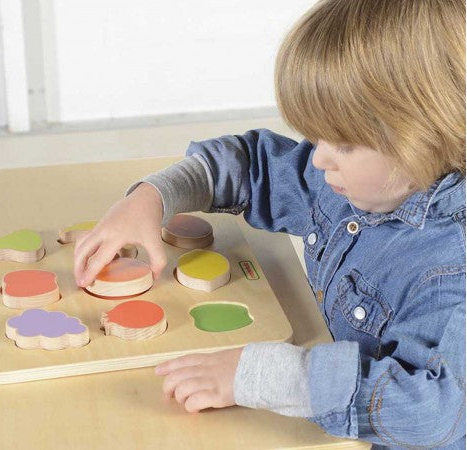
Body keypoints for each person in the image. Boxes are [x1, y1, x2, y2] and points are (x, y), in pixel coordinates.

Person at [73, 0, 466, 447]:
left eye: (344, 143)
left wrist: (264, 375)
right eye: (315, 137)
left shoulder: (452, 270)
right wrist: (153, 196)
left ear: (424, 135)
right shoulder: (361, 177)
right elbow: (251, 165)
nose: (319, 158)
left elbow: (433, 410)